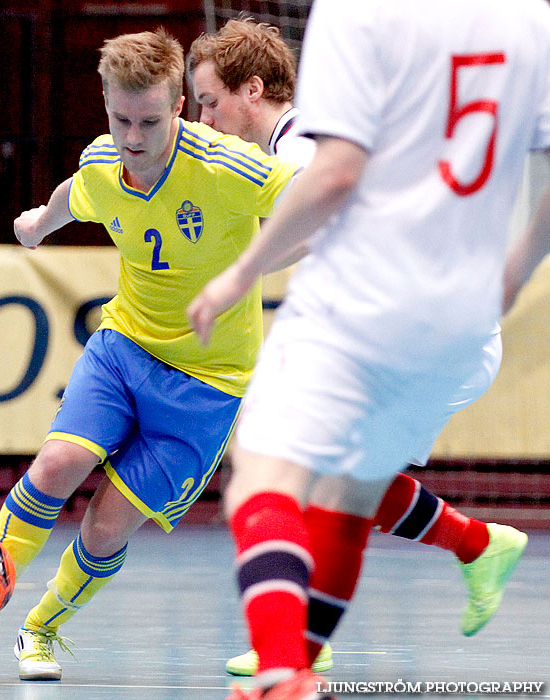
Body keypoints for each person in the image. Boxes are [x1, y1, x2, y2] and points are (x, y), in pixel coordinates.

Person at [188, 1, 550, 698]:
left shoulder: (357, 21)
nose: (205, 121)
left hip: (363, 303)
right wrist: (510, 275)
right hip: (460, 317)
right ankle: (464, 553)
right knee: (347, 491)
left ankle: (282, 667)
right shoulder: (529, 19)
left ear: (251, 91)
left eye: (208, 105)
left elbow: (336, 178)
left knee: (265, 479)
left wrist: (240, 271)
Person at [0, 28, 301, 682]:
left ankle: (40, 631)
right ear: (105, 101)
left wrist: (267, 259)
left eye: (150, 121)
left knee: (106, 528)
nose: (134, 137)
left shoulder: (229, 168)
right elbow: (72, 196)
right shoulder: (105, 163)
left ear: (181, 109)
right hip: (124, 349)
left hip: (207, 382)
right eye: (120, 119)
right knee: (58, 463)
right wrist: (35, 225)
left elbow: (312, 203)